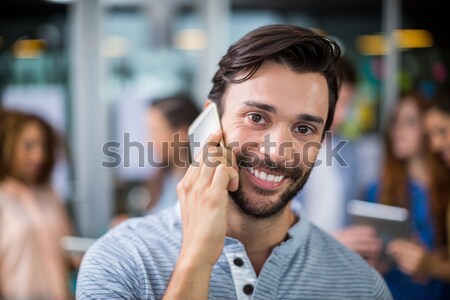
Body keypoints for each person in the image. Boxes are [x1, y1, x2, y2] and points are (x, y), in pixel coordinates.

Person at [76, 24, 392, 299]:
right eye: (257, 117)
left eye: (303, 128)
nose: (277, 151)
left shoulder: (362, 286)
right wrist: (196, 257)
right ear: (210, 119)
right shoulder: (119, 260)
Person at [292, 56, 383, 266]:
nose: (341, 115)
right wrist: (331, 242)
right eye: (337, 102)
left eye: (347, 104)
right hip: (295, 267)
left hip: (335, 266)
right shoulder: (285, 148)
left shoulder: (347, 151)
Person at [364, 90, 450, 299]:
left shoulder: (445, 188)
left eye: (409, 122)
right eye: (395, 121)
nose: (398, 130)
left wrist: (431, 263)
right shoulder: (377, 190)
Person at [0, 109, 75, 300]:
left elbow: (68, 251)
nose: (38, 155)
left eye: (43, 145)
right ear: (8, 146)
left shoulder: (49, 193)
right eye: (29, 145)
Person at [112, 94, 200, 226]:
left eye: (156, 130)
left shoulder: (198, 183)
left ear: (182, 133)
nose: (150, 140)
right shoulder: (165, 177)